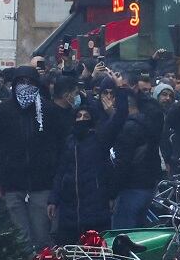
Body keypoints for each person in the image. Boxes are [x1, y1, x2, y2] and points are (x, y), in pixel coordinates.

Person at [0, 68, 64, 249]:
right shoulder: (2, 111)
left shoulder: (49, 111)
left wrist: (56, 183)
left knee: (42, 237)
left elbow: (61, 148)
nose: (25, 87)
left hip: (42, 185)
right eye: (21, 82)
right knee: (20, 240)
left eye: (30, 83)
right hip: (11, 186)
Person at [48, 103, 109, 241]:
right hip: (69, 207)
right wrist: (53, 199)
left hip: (94, 206)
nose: (82, 119)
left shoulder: (99, 140)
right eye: (79, 116)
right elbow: (60, 171)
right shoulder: (68, 142)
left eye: (86, 116)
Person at [105, 87, 163, 230]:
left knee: (123, 237)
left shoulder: (128, 128)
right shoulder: (147, 123)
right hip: (147, 186)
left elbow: (122, 163)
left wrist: (111, 194)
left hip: (131, 188)